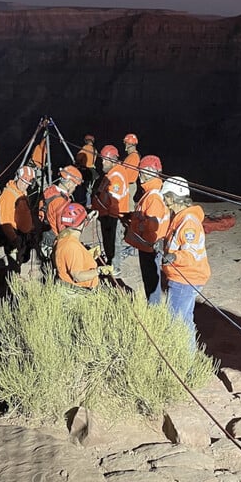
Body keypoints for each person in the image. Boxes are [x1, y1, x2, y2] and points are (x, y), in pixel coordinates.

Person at [155, 176, 209, 337]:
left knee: (178, 322)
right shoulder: (180, 218)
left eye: (165, 197)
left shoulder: (188, 221)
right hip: (182, 275)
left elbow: (191, 253)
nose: (164, 201)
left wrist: (174, 257)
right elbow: (177, 241)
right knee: (183, 319)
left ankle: (184, 357)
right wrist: (163, 243)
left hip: (185, 278)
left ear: (172, 197)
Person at [123, 155, 169, 305]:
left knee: (151, 279)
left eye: (141, 171)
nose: (139, 175)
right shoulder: (150, 193)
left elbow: (152, 224)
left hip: (149, 246)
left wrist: (136, 225)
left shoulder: (153, 197)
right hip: (147, 245)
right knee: (149, 278)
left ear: (149, 172)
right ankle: (152, 304)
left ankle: (154, 307)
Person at [91, 144, 130, 275]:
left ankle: (115, 267)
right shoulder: (111, 173)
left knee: (114, 242)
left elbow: (114, 199)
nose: (102, 162)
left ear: (112, 160)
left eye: (105, 160)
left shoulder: (117, 175)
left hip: (112, 216)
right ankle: (110, 263)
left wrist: (111, 219)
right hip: (106, 215)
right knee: (109, 241)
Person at [54, 203, 110, 289]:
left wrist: (88, 255)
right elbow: (77, 276)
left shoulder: (62, 238)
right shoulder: (72, 246)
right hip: (81, 290)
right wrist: (99, 271)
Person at [38, 166, 83, 261]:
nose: (75, 187)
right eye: (75, 185)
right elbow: (63, 228)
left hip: (45, 236)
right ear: (70, 183)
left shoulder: (49, 192)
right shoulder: (61, 202)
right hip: (55, 239)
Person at [0, 165, 36, 273]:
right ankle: (12, 281)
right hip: (13, 235)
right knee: (13, 264)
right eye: (23, 181)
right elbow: (5, 222)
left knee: (21, 258)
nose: (25, 185)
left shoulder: (21, 192)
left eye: (28, 183)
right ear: (18, 177)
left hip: (21, 234)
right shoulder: (8, 196)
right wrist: (14, 240)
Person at [74, 134, 98, 206]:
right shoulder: (95, 150)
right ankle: (88, 204)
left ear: (86, 141)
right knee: (89, 191)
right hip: (92, 172)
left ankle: (79, 203)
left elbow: (78, 158)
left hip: (84, 171)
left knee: (80, 189)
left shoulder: (85, 148)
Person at [121, 133, 141, 208]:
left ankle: (130, 218)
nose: (125, 145)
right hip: (128, 184)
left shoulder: (134, 157)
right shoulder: (131, 156)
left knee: (128, 205)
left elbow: (127, 173)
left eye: (126, 143)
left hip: (129, 185)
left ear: (129, 144)